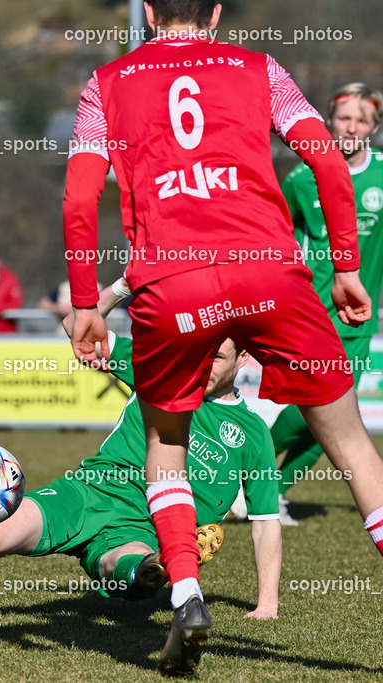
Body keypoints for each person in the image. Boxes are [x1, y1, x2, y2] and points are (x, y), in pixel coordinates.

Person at [63, 1, 383, 674]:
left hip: (172, 282)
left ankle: (186, 593)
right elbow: (327, 161)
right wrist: (347, 268)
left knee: (166, 445)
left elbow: (79, 197)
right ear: (214, 13)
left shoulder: (106, 83)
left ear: (148, 11)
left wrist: (87, 303)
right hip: (271, 273)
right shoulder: (260, 68)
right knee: (352, 443)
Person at [0, 280, 282, 620]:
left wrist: (267, 605)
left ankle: (160, 566)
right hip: (85, 493)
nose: (203, 366)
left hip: (143, 531)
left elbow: (265, 522)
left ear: (244, 357)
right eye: (200, 352)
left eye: (218, 358)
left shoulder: (253, 434)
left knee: (132, 570)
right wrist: (125, 283)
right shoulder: (159, 370)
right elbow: (73, 324)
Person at [271, 84, 383, 519]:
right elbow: (277, 237)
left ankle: (266, 488)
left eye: (361, 120)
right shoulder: (302, 179)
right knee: (317, 408)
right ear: (329, 121)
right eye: (344, 118)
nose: (351, 127)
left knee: (336, 415)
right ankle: (249, 473)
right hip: (313, 310)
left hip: (359, 314)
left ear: (373, 128)